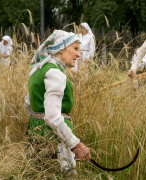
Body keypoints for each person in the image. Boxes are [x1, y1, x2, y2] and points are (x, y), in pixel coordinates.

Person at [25, 30, 91, 176]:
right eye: (75, 48)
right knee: (61, 175)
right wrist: (75, 144)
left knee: (38, 174)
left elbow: (28, 104)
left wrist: (37, 123)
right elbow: (53, 117)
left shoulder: (38, 70)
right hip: (53, 137)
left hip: (36, 133)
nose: (79, 54)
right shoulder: (55, 74)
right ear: (61, 49)